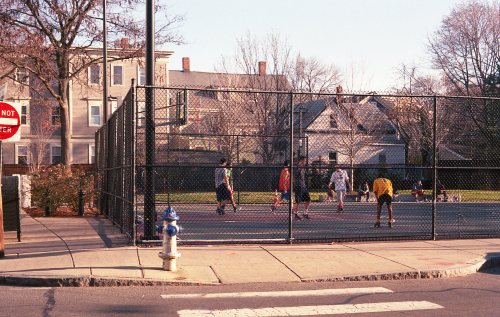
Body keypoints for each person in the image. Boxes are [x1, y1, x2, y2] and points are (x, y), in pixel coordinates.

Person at [293, 156, 311, 220]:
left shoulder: (303, 168)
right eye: (304, 160)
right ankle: (296, 214)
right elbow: (295, 175)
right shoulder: (297, 167)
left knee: (308, 200)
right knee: (298, 201)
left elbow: (306, 175)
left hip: (303, 186)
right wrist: (300, 167)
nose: (305, 162)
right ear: (301, 161)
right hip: (298, 186)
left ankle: (305, 213)